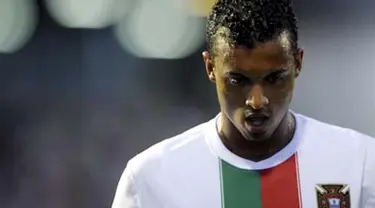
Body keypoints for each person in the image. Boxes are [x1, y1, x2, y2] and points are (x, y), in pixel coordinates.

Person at [111, 0, 375, 207]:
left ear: (298, 63)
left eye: (274, 78)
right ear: (210, 67)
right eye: (238, 80)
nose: (257, 101)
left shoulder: (361, 162)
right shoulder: (150, 179)